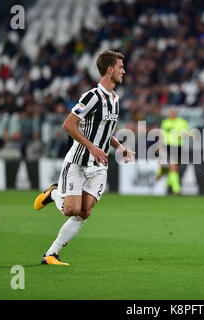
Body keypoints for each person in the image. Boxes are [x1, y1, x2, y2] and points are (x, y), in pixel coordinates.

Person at [33, 50, 135, 265]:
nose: (124, 71)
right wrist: (92, 147)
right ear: (109, 69)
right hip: (78, 161)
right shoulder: (91, 96)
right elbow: (68, 125)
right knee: (71, 209)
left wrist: (119, 147)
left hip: (99, 165)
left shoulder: (116, 99)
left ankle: (51, 254)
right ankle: (53, 194)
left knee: (85, 211)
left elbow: (105, 132)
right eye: (120, 67)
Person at [156, 107, 189, 195]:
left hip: (179, 146)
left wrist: (182, 134)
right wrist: (159, 147)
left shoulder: (182, 122)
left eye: (171, 113)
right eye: (169, 113)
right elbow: (161, 135)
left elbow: (185, 134)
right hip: (168, 146)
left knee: (174, 168)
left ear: (175, 113)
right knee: (173, 166)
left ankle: (167, 185)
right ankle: (176, 189)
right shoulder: (165, 122)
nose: (170, 114)